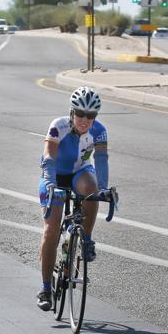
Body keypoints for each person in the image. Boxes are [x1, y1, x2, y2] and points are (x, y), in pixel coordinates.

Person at [36, 86, 109, 311]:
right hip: (55, 176)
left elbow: (102, 159)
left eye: (91, 116)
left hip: (80, 174)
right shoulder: (59, 126)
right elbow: (49, 155)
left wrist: (104, 188)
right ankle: (46, 288)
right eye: (80, 114)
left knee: (91, 189)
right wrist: (49, 182)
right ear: (72, 111)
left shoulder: (99, 131)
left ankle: (86, 239)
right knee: (51, 230)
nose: (85, 120)